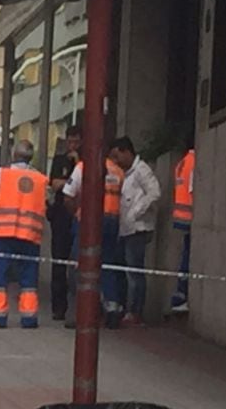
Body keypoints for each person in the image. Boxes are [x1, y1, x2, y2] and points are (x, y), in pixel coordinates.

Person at [0, 141, 48, 329]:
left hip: (5, 231)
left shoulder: (4, 173)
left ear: (14, 155)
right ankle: (29, 317)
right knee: (29, 276)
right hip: (30, 233)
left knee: (1, 275)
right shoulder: (41, 178)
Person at [63, 152, 125, 329]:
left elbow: (68, 195)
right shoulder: (117, 171)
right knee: (107, 265)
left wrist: (77, 213)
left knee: (79, 265)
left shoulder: (83, 166)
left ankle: (80, 313)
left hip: (89, 221)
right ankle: (112, 309)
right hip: (112, 220)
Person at [109, 136, 161, 327]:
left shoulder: (141, 170)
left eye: (117, 156)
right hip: (125, 229)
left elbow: (154, 193)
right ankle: (124, 307)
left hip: (137, 229)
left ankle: (135, 311)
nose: (116, 161)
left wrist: (135, 213)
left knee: (134, 271)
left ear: (127, 152)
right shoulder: (126, 173)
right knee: (122, 268)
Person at [47, 126, 82, 320]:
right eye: (70, 141)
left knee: (78, 263)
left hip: (78, 216)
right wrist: (71, 181)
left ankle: (78, 308)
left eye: (76, 141)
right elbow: (55, 184)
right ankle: (58, 307)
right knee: (59, 261)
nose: (72, 145)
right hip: (60, 215)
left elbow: (83, 181)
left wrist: (76, 165)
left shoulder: (83, 162)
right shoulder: (59, 160)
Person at [171, 145, 195, 312]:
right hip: (190, 216)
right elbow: (193, 189)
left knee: (185, 253)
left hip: (180, 216)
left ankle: (180, 293)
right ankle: (182, 293)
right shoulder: (194, 163)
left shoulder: (182, 163)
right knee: (188, 255)